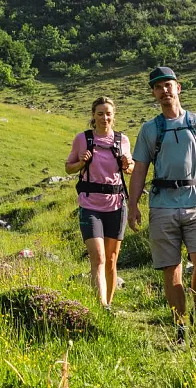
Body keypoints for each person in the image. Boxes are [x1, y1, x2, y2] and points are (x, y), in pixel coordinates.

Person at [127, 65, 196, 345]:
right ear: (153, 93)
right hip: (161, 206)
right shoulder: (149, 130)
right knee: (171, 271)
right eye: (158, 87)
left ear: (178, 87)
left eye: (168, 85)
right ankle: (181, 329)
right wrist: (133, 204)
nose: (164, 91)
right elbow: (139, 170)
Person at [65, 96, 134, 309]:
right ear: (93, 116)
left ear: (114, 116)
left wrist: (126, 164)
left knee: (112, 260)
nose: (105, 118)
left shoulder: (122, 140)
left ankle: (109, 306)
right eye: (100, 114)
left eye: (108, 114)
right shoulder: (82, 139)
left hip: (116, 204)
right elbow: (69, 168)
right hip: (90, 205)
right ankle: (101, 304)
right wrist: (82, 162)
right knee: (99, 258)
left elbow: (131, 169)